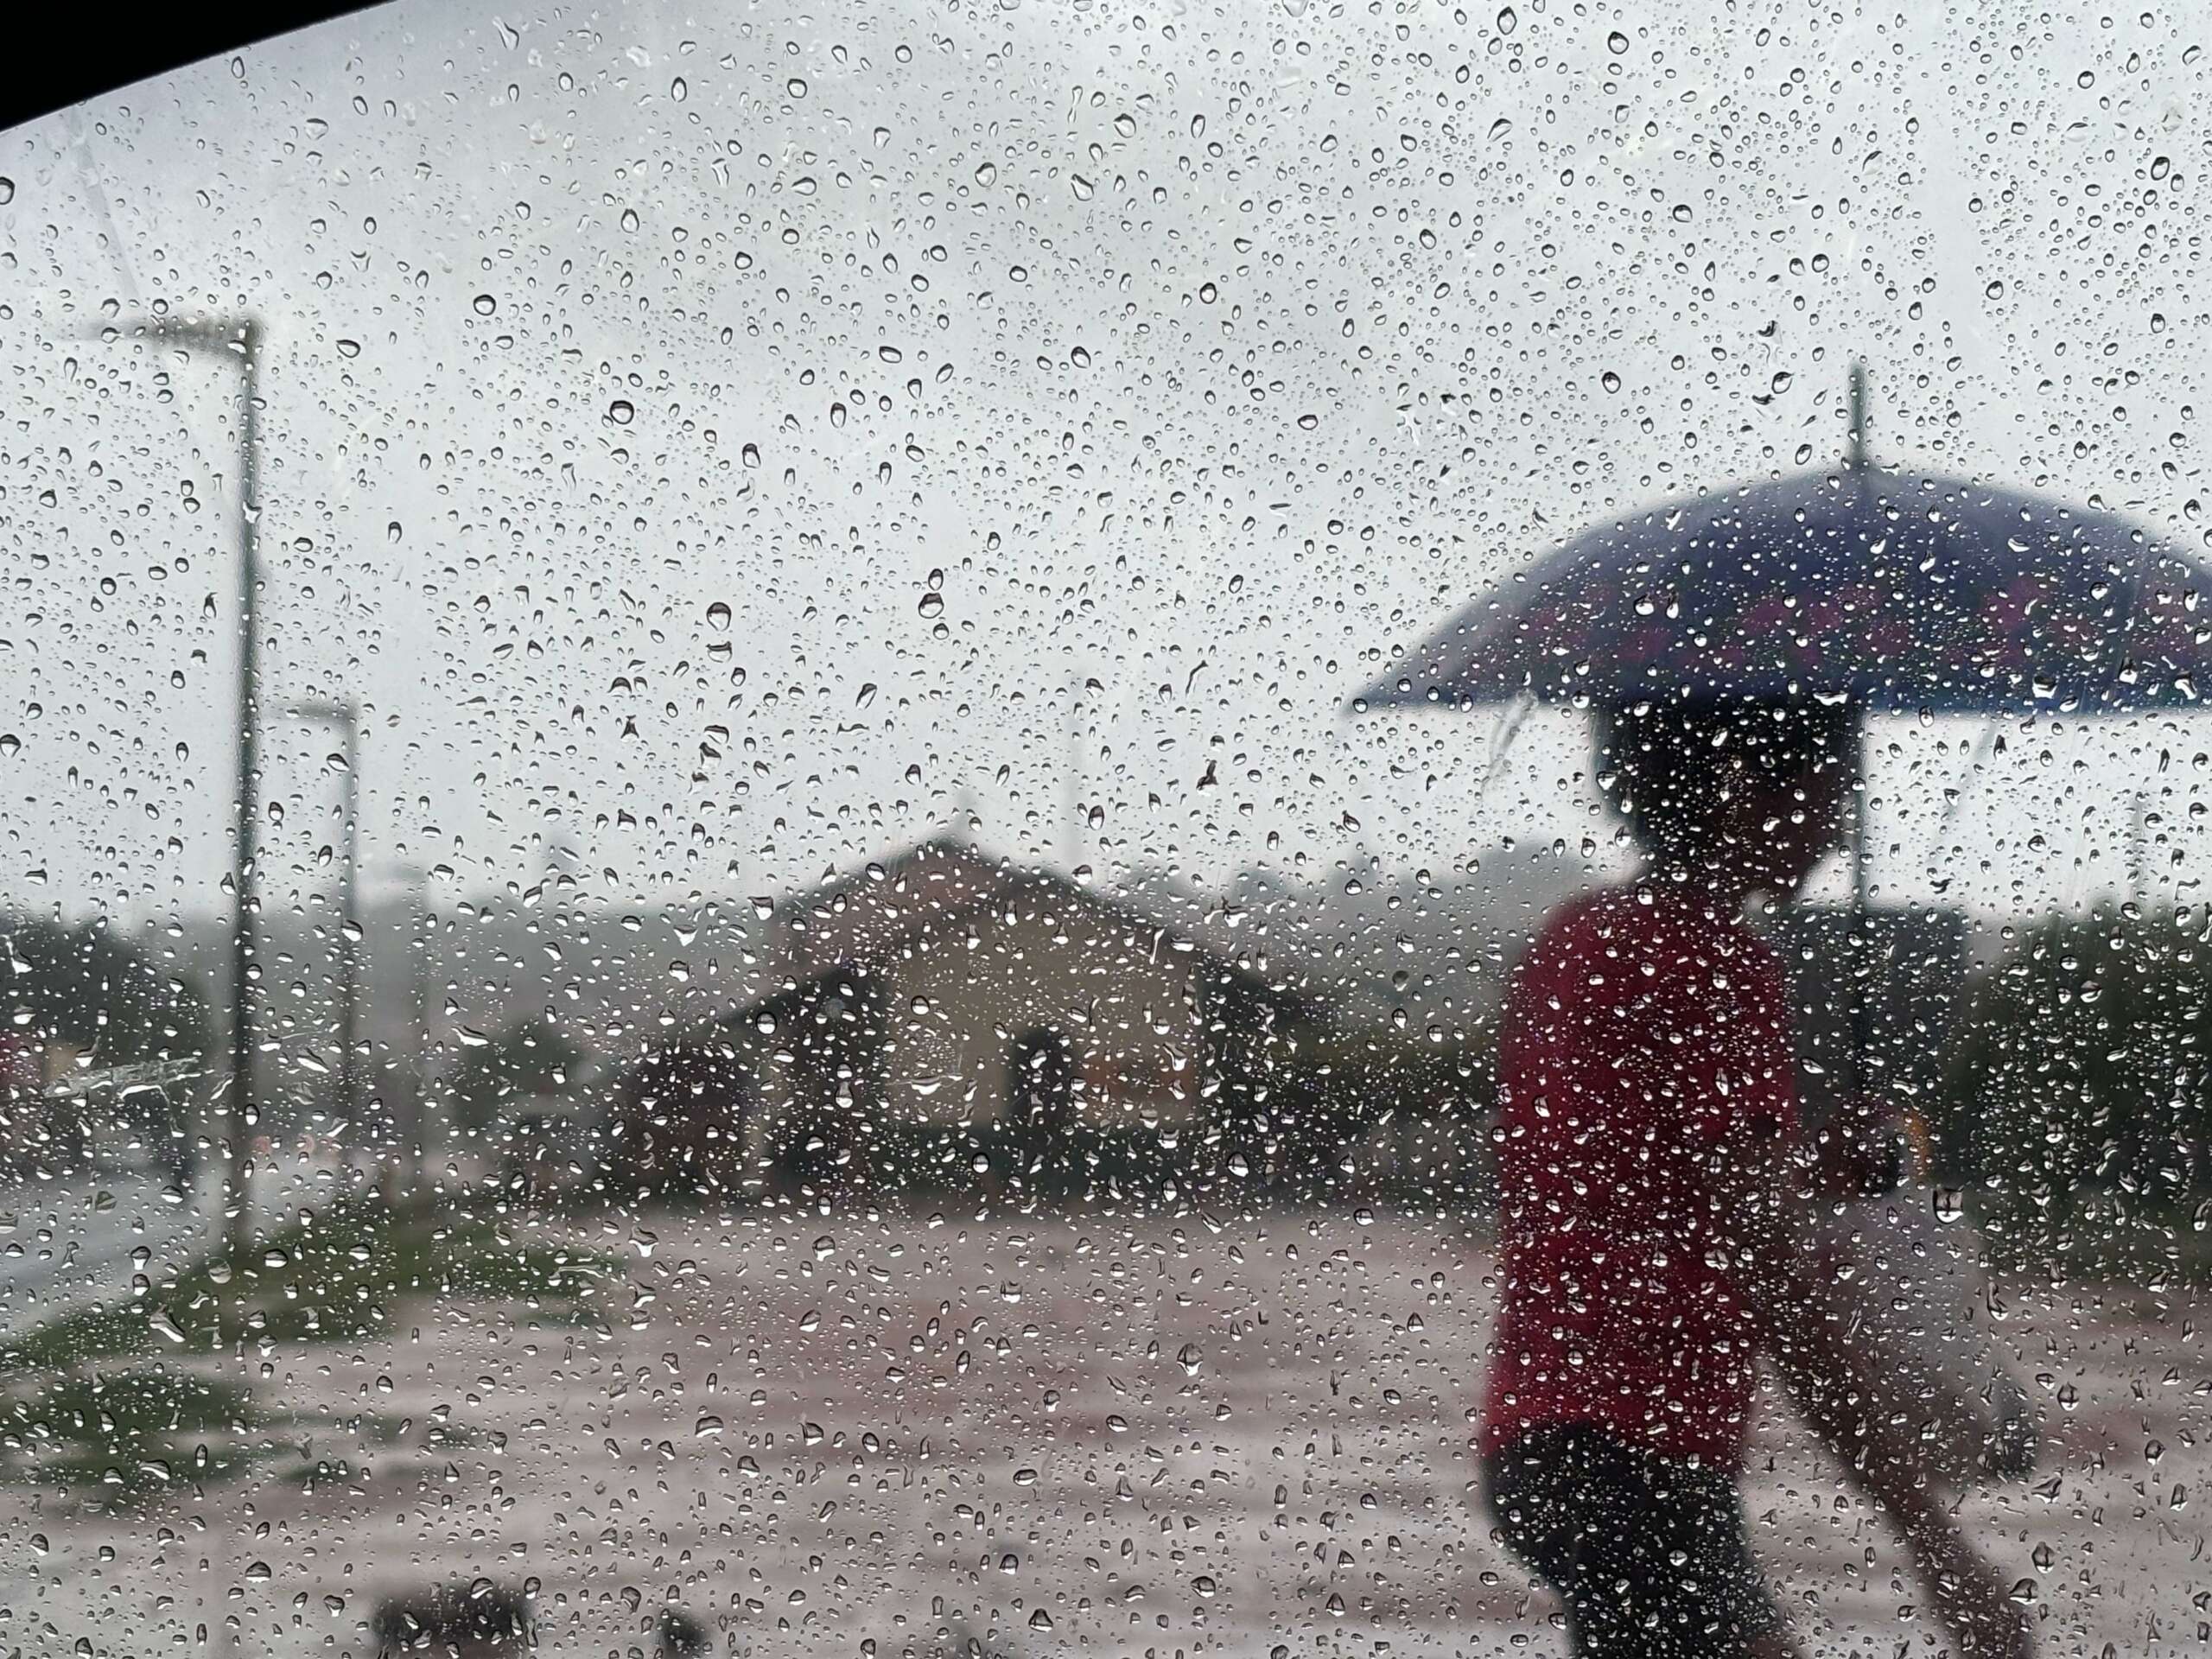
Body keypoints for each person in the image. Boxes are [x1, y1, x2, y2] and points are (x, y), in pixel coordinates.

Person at [1477, 696, 2029, 1659]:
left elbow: (1631, 1175)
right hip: (1635, 1449)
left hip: (1541, 1434)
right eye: (1826, 795)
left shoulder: (1575, 939)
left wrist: (1807, 1167)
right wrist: (1938, 1549)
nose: (1836, 828)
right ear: (1742, 790)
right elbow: (1766, 1269)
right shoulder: (1710, 962)